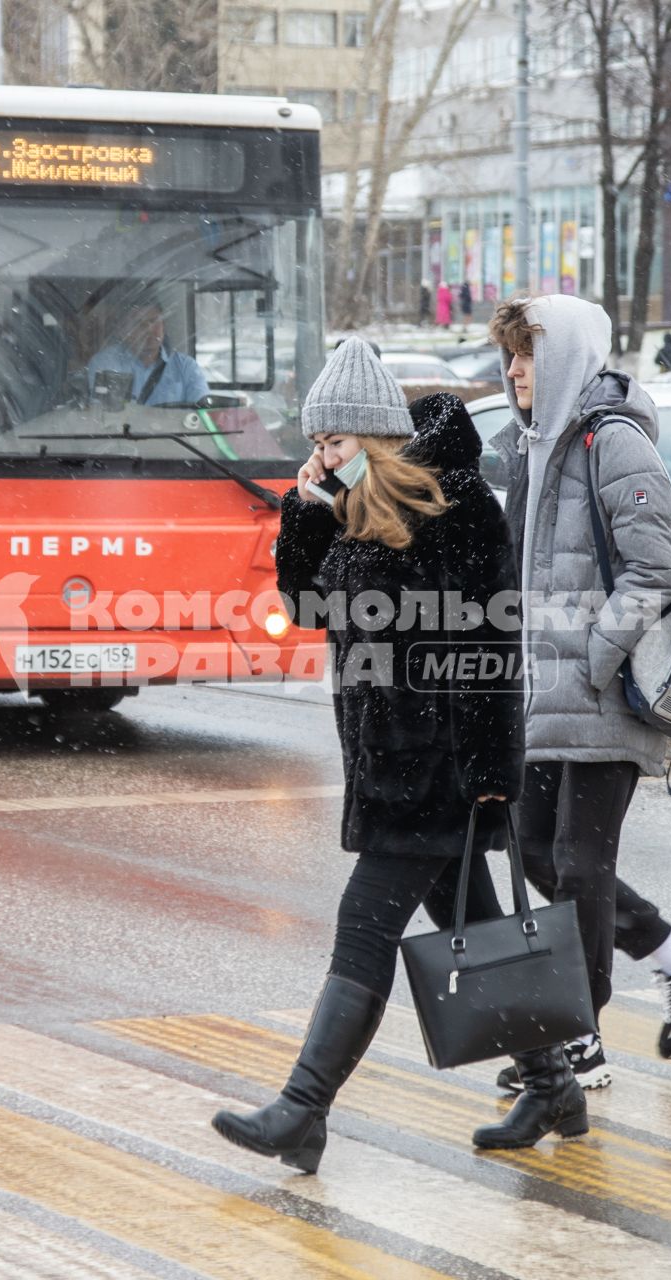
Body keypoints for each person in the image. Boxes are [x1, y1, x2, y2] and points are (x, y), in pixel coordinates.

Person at [211, 343, 569, 1171]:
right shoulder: (361, 504)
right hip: (386, 758)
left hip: (436, 765)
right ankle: (552, 1083)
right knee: (471, 920)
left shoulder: (457, 506)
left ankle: (303, 1109)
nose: (320, 458)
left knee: (364, 924)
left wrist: (490, 778)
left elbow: (493, 646)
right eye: (317, 445)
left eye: (332, 444)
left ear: (372, 436)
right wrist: (307, 510)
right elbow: (309, 605)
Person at [483, 294, 671, 1101]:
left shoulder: (613, 440)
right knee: (530, 852)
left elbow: (656, 566)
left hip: (604, 692)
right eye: (511, 355)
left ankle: (577, 1039)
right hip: (541, 694)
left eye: (528, 354)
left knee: (579, 863)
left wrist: (593, 657)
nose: (515, 370)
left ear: (564, 358)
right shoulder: (530, 446)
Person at [84, 300, 210, 406]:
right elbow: (102, 417)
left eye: (154, 321)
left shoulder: (186, 367)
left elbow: (204, 414)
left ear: (163, 326)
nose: (149, 329)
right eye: (139, 323)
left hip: (174, 436)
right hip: (123, 435)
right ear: (124, 330)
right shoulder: (106, 363)